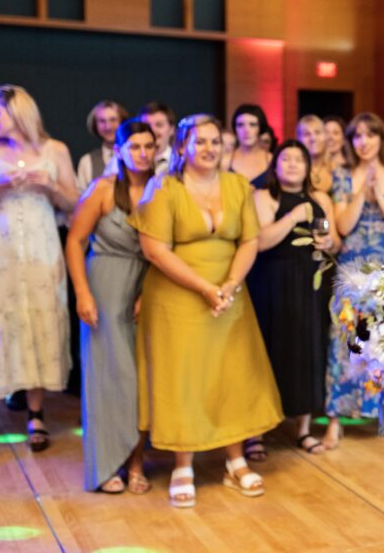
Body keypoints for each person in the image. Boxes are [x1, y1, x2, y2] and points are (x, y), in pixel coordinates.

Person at [130, 114, 282, 507]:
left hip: (228, 297)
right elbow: (154, 249)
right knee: (183, 378)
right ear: (181, 147)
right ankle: (184, 464)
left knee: (230, 374)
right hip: (178, 298)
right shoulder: (164, 186)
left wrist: (229, 285)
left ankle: (235, 460)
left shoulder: (236, 185)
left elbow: (250, 240)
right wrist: (204, 288)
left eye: (216, 141)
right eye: (200, 142)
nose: (209, 149)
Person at [0, 85, 79, 457]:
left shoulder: (56, 151)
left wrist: (50, 185)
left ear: (18, 113)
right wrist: (1, 186)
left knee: (39, 322)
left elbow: (75, 203)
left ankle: (36, 414)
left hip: (40, 247)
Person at [65, 119, 156, 493]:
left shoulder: (160, 189)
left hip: (147, 285)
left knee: (140, 379)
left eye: (149, 146)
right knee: (108, 378)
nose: (143, 153)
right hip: (104, 283)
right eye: (135, 147)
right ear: (119, 150)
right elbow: (74, 241)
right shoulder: (102, 189)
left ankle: (137, 464)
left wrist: (146, 293)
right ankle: (106, 466)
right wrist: (83, 293)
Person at [245, 140, 340, 458]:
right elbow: (261, 241)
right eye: (286, 159)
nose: (293, 164)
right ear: (276, 165)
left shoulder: (320, 197)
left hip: (311, 280)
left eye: (299, 159)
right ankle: (255, 433)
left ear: (308, 166)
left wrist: (328, 240)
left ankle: (303, 429)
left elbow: (332, 239)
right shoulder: (264, 196)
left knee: (308, 350)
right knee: (269, 351)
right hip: (273, 279)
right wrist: (294, 216)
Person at [327, 112, 384, 448]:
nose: (364, 141)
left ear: (381, 138)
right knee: (342, 340)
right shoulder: (342, 176)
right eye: (357, 136)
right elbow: (343, 226)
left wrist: (381, 192)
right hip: (351, 269)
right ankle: (334, 420)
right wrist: (362, 192)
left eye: (370, 135)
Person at [76, 100, 128, 194]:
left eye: (113, 120)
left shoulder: (136, 155)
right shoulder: (87, 162)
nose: (108, 127)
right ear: (95, 126)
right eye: (102, 121)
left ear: (122, 122)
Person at [229, 104, 273, 188]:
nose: (246, 130)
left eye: (252, 125)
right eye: (240, 125)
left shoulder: (271, 160)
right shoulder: (225, 160)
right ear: (235, 129)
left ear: (260, 128)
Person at [296, 115, 333, 193]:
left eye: (318, 132)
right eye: (307, 134)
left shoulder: (338, 171)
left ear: (325, 137)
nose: (313, 138)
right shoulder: (293, 170)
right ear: (298, 139)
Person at [137, 102, 176, 176]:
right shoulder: (125, 162)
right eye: (147, 126)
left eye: (159, 125)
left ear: (171, 129)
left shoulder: (180, 163)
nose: (152, 130)